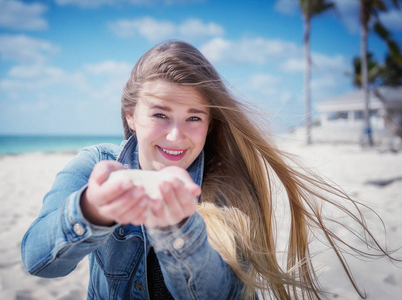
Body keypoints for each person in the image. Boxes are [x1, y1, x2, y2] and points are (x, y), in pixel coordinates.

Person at [21, 40, 398, 299]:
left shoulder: (229, 187)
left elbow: (223, 293)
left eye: (194, 117)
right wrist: (93, 210)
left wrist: (179, 228)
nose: (176, 135)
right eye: (160, 114)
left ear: (210, 123)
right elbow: (38, 260)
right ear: (130, 116)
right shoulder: (96, 166)